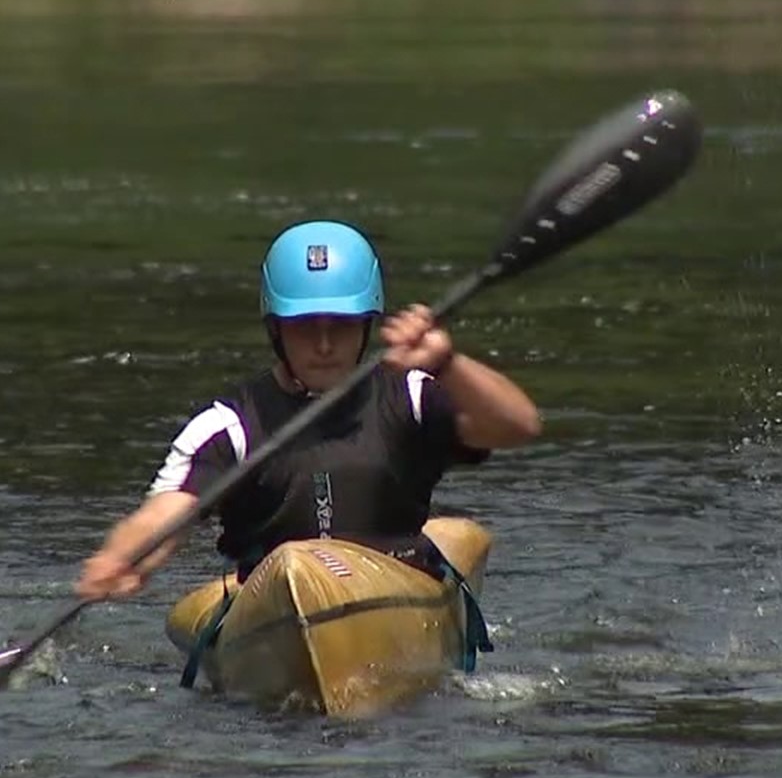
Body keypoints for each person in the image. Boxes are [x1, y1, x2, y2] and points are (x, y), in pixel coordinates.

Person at [74, 219, 542, 602]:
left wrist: (448, 363)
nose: (322, 345)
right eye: (303, 327)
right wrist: (121, 558)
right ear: (275, 329)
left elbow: (518, 426)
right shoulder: (228, 425)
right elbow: (165, 515)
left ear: (366, 326)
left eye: (339, 325)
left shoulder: (414, 396)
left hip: (396, 588)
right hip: (272, 600)